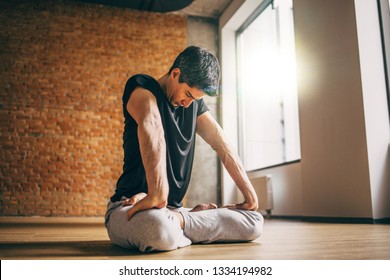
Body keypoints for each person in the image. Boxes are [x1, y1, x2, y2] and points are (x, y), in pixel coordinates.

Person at [105, 46, 264, 252]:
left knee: (253, 222)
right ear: (175, 73)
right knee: (159, 230)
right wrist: (156, 193)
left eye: (195, 100)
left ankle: (181, 220)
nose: (188, 104)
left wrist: (250, 196)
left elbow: (221, 144)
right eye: (188, 94)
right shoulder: (142, 87)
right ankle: (187, 223)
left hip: (172, 211)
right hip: (130, 208)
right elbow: (152, 125)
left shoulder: (193, 105)